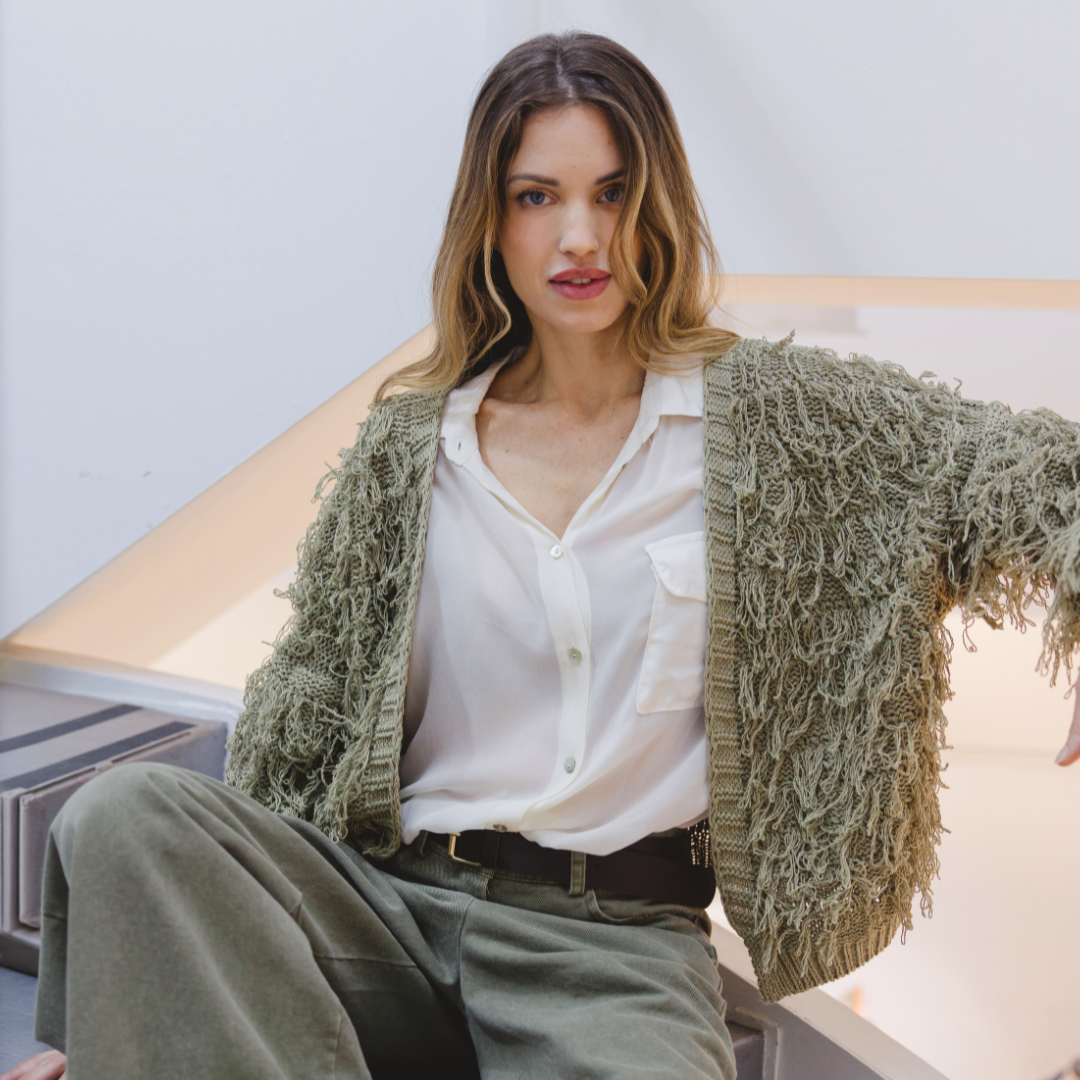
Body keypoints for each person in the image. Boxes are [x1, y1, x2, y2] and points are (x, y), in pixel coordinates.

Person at [8, 30, 1080, 1080]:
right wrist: (134, 1003)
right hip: (386, 906)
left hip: (609, 948)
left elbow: (1030, 468)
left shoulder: (786, 426)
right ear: (491, 220)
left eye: (613, 194)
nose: (580, 237)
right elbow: (302, 737)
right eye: (537, 197)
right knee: (125, 815)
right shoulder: (409, 446)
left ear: (658, 208)